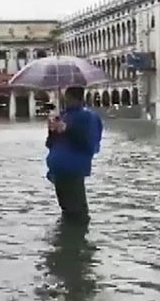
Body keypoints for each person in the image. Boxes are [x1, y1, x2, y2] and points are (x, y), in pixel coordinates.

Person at [45, 86, 103, 224]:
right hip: (58, 170)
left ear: (78, 99)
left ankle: (77, 240)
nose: (67, 101)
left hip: (73, 169)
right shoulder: (63, 116)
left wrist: (67, 129)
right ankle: (67, 239)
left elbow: (88, 144)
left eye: (69, 98)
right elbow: (50, 144)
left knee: (77, 211)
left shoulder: (88, 117)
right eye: (66, 98)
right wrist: (52, 130)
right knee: (67, 209)